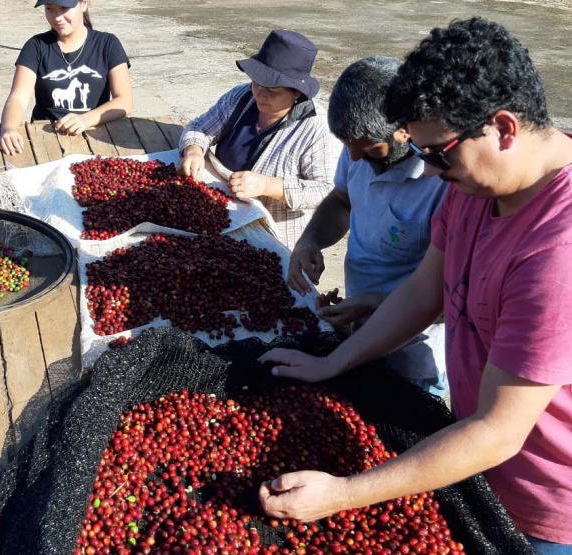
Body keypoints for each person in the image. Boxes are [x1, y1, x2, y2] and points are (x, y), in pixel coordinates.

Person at [258, 18, 572, 553]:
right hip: (469, 459)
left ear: (503, 128)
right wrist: (334, 362)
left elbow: (498, 431)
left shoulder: (556, 250)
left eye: (437, 153)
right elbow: (424, 293)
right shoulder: (473, 190)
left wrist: (344, 494)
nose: (426, 173)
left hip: (541, 501)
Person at [287, 56, 448, 396]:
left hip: (412, 356)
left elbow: (454, 295)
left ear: (406, 130)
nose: (355, 159)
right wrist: (310, 239)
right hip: (356, 330)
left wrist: (377, 303)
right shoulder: (358, 148)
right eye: (350, 149)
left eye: (371, 149)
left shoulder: (444, 184)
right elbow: (342, 200)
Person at [177, 30, 341, 248]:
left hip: (271, 236)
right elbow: (199, 127)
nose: (260, 95)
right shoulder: (240, 97)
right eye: (256, 83)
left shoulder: (316, 128)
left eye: (273, 90)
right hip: (217, 215)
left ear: (296, 93)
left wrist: (269, 185)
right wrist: (194, 150)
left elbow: (328, 190)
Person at [0, 0, 133, 156]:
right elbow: (18, 98)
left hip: (96, 136)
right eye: (50, 9)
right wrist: (8, 128)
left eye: (64, 8)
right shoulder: (35, 46)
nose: (57, 17)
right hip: (46, 138)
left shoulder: (108, 44)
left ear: (84, 4)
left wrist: (86, 119)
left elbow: (125, 101)